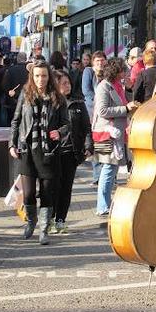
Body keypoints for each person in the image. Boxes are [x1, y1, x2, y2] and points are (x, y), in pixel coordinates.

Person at [8, 60, 69, 244]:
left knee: (47, 192)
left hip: (49, 151)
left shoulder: (58, 98)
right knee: (27, 194)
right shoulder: (25, 95)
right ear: (32, 77)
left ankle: (44, 229)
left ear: (49, 77)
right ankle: (31, 222)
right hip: (27, 150)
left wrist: (60, 132)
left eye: (43, 75)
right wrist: (12, 144)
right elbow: (16, 121)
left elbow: (67, 124)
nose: (40, 79)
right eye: (37, 76)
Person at [92, 58, 139, 216]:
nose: (125, 73)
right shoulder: (103, 87)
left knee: (111, 169)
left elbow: (126, 103)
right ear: (115, 71)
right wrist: (125, 108)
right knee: (108, 168)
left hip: (117, 133)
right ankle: (102, 205)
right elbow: (103, 111)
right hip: (109, 132)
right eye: (122, 70)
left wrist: (130, 91)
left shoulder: (118, 86)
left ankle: (104, 203)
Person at [52, 71, 93, 233]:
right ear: (55, 85)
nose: (66, 85)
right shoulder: (51, 104)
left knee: (66, 187)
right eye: (63, 83)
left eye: (68, 82)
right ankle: (50, 215)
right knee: (53, 186)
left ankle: (60, 219)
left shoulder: (78, 103)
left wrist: (89, 145)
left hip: (72, 151)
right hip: (54, 151)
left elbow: (86, 126)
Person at [82, 51, 107, 185]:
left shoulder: (108, 73)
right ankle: (98, 177)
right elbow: (86, 91)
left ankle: (109, 176)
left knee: (107, 144)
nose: (100, 63)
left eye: (102, 60)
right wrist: (99, 102)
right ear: (93, 62)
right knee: (96, 143)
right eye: (97, 61)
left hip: (107, 113)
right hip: (93, 112)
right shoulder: (88, 72)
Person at [1, 51, 29, 125]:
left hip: (13, 100)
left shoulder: (10, 70)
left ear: (17, 59)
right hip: (27, 99)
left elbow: (5, 85)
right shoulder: (30, 70)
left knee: (13, 122)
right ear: (26, 58)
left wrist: (9, 93)